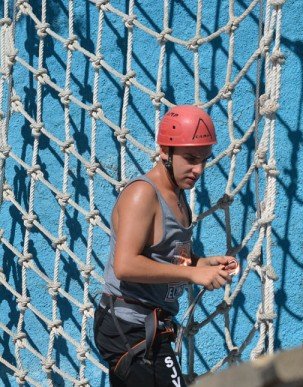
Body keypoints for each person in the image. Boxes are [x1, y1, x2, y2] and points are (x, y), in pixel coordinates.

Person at [94, 105, 238, 386]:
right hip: (129, 326)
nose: (198, 169)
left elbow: (169, 257)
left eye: (204, 160)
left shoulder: (179, 197)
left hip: (150, 326)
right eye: (190, 159)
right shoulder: (142, 195)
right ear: (165, 151)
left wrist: (200, 263)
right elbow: (125, 265)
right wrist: (192, 274)